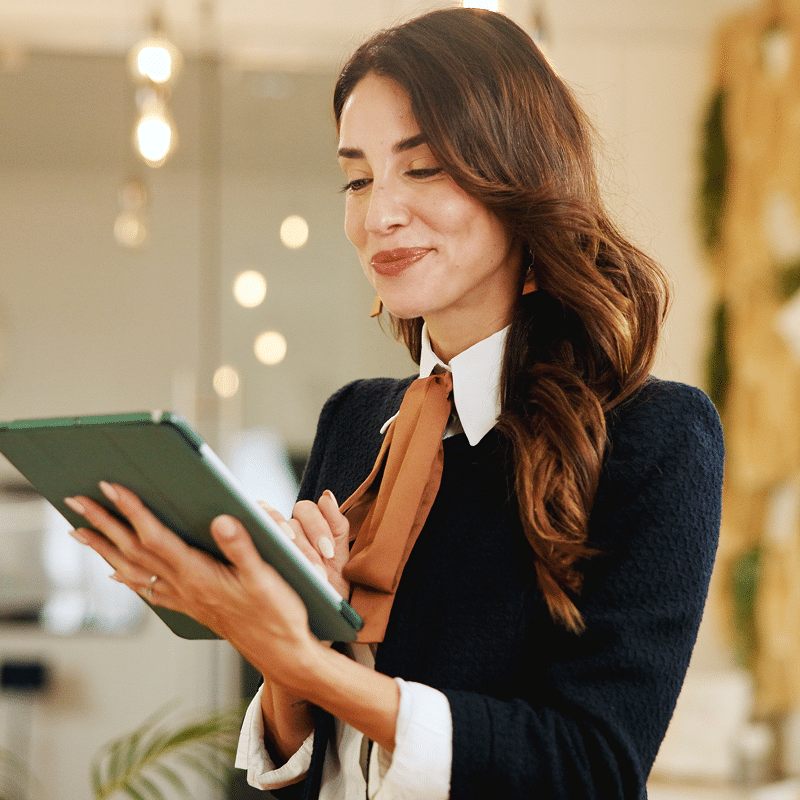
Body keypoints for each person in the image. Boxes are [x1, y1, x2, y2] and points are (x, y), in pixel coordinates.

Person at [64, 8, 724, 799]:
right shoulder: (354, 420)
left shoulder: (655, 435)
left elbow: (592, 767)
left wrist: (305, 660)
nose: (378, 214)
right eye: (357, 177)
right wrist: (287, 660)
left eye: (425, 167)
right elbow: (311, 758)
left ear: (521, 180)